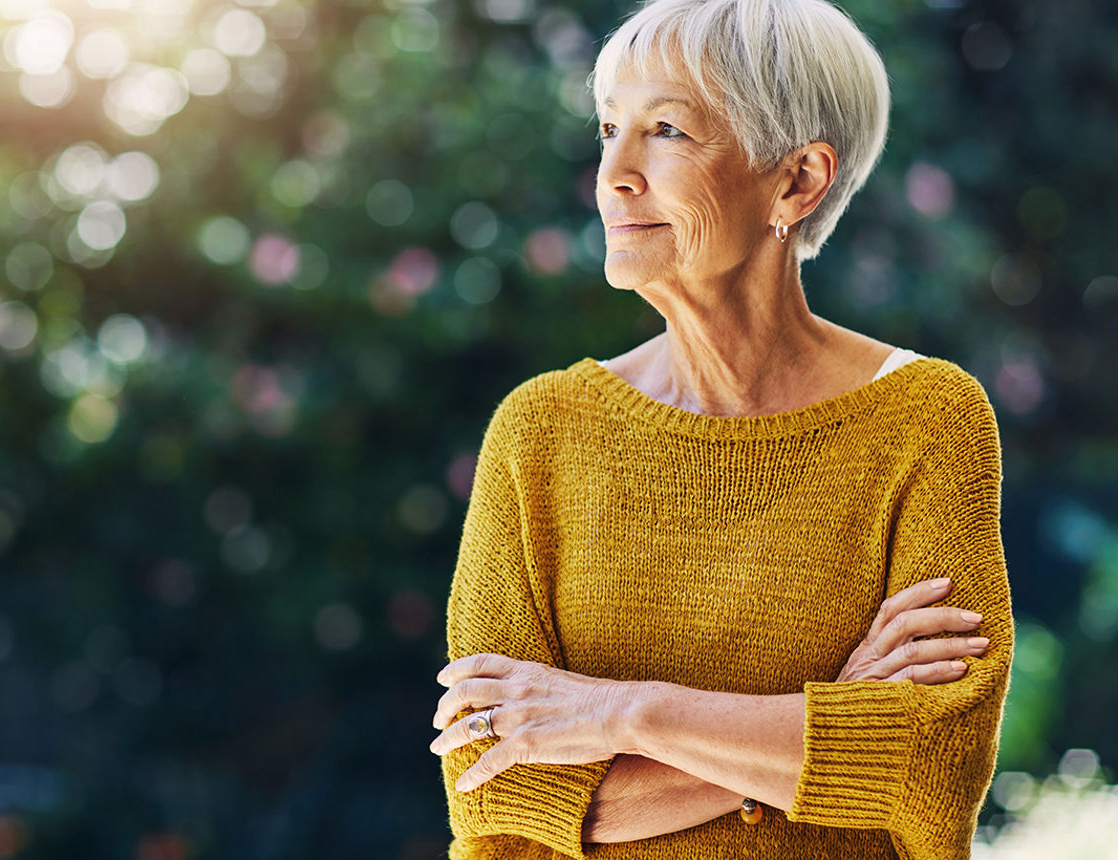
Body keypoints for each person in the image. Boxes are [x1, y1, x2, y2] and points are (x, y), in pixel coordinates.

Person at [427, 0, 1013, 858]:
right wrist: (828, 713)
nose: (614, 174)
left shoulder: (926, 419)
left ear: (798, 181)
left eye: (666, 130)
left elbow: (930, 762)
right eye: (608, 129)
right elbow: (497, 786)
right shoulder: (540, 432)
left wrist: (623, 714)